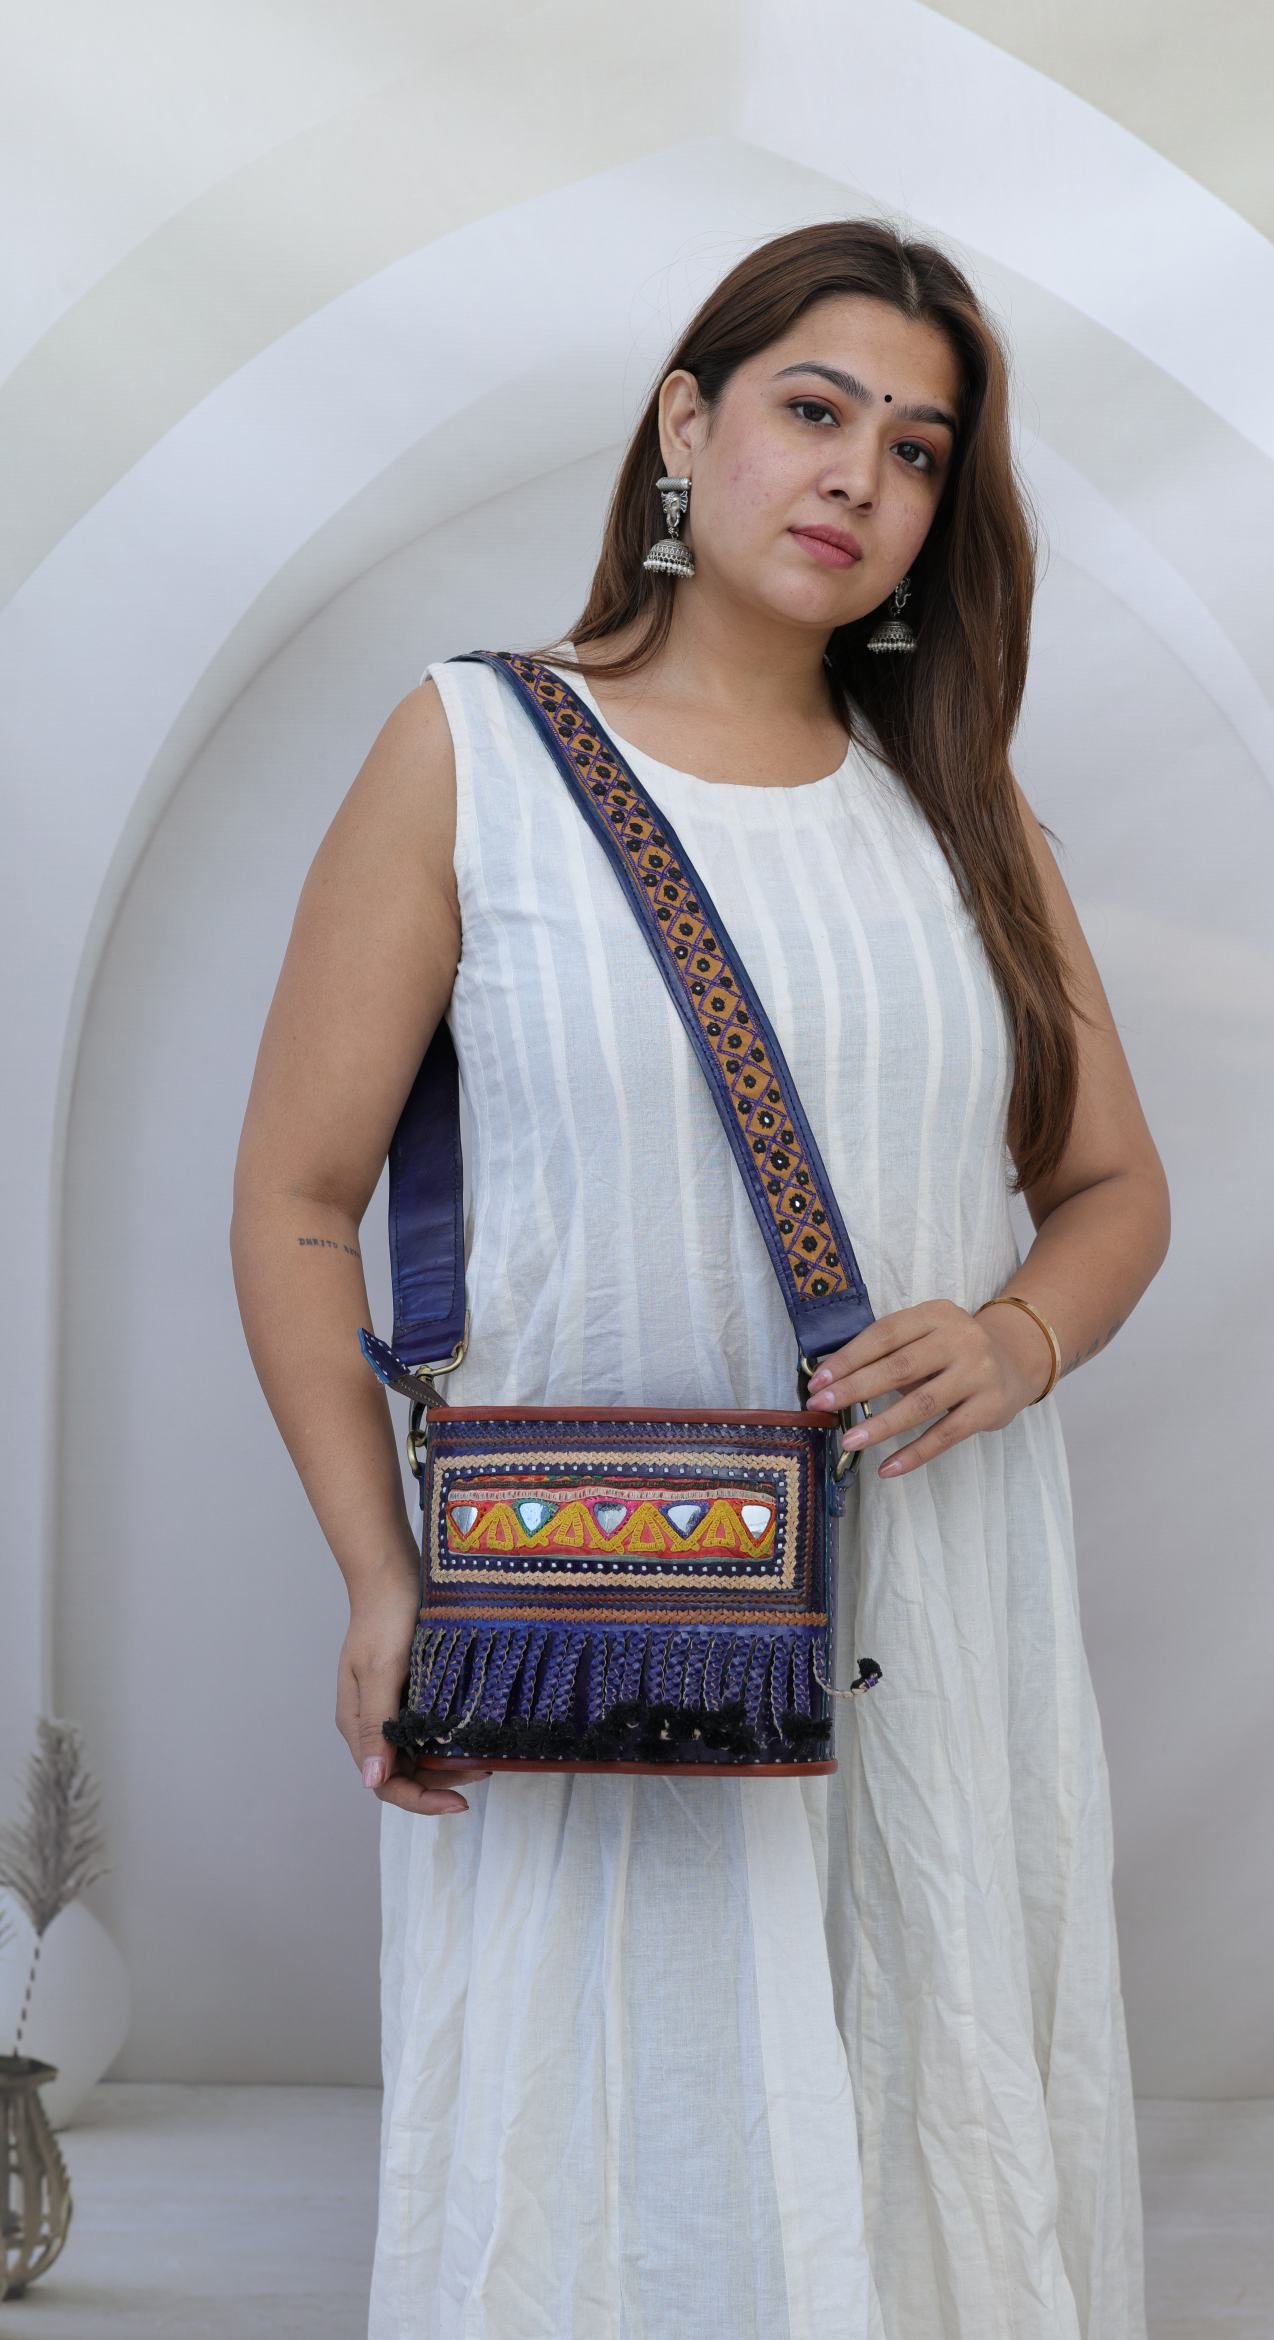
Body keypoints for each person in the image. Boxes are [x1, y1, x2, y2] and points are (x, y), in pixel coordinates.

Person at [230, 215, 1168, 2340]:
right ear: (685, 423)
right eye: (813, 411)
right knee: (599, 2144)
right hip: (595, 1608)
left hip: (934, 1603)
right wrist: (380, 1579)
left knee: (920, 2100)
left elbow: (1112, 1186)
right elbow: (295, 1198)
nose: (858, 476)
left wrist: (1017, 1336)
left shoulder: (963, 813)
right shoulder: (472, 750)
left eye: (915, 451)